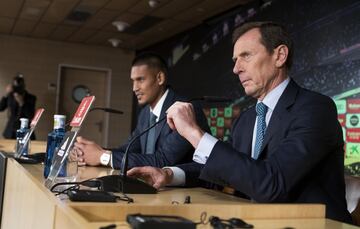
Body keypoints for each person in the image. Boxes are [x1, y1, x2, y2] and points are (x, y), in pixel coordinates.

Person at [127, 22, 352, 223]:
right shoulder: (246, 118)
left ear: (280, 55)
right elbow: (222, 169)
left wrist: (194, 132)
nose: (236, 69)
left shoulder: (315, 108)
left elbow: (272, 183)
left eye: (246, 56)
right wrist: (168, 174)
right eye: (235, 60)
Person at [75, 52, 209, 170]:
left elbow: (163, 161)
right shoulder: (145, 113)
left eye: (140, 80)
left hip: (190, 192)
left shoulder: (185, 109)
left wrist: (103, 157)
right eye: (133, 81)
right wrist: (90, 152)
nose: (134, 88)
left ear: (159, 78)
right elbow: (128, 150)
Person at [0, 74, 36, 139]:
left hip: (25, 130)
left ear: (24, 86)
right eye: (15, 86)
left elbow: (31, 115)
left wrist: (22, 103)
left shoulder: (31, 98)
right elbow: (1, 108)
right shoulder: (10, 96)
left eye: (19, 86)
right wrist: (6, 95)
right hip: (10, 131)